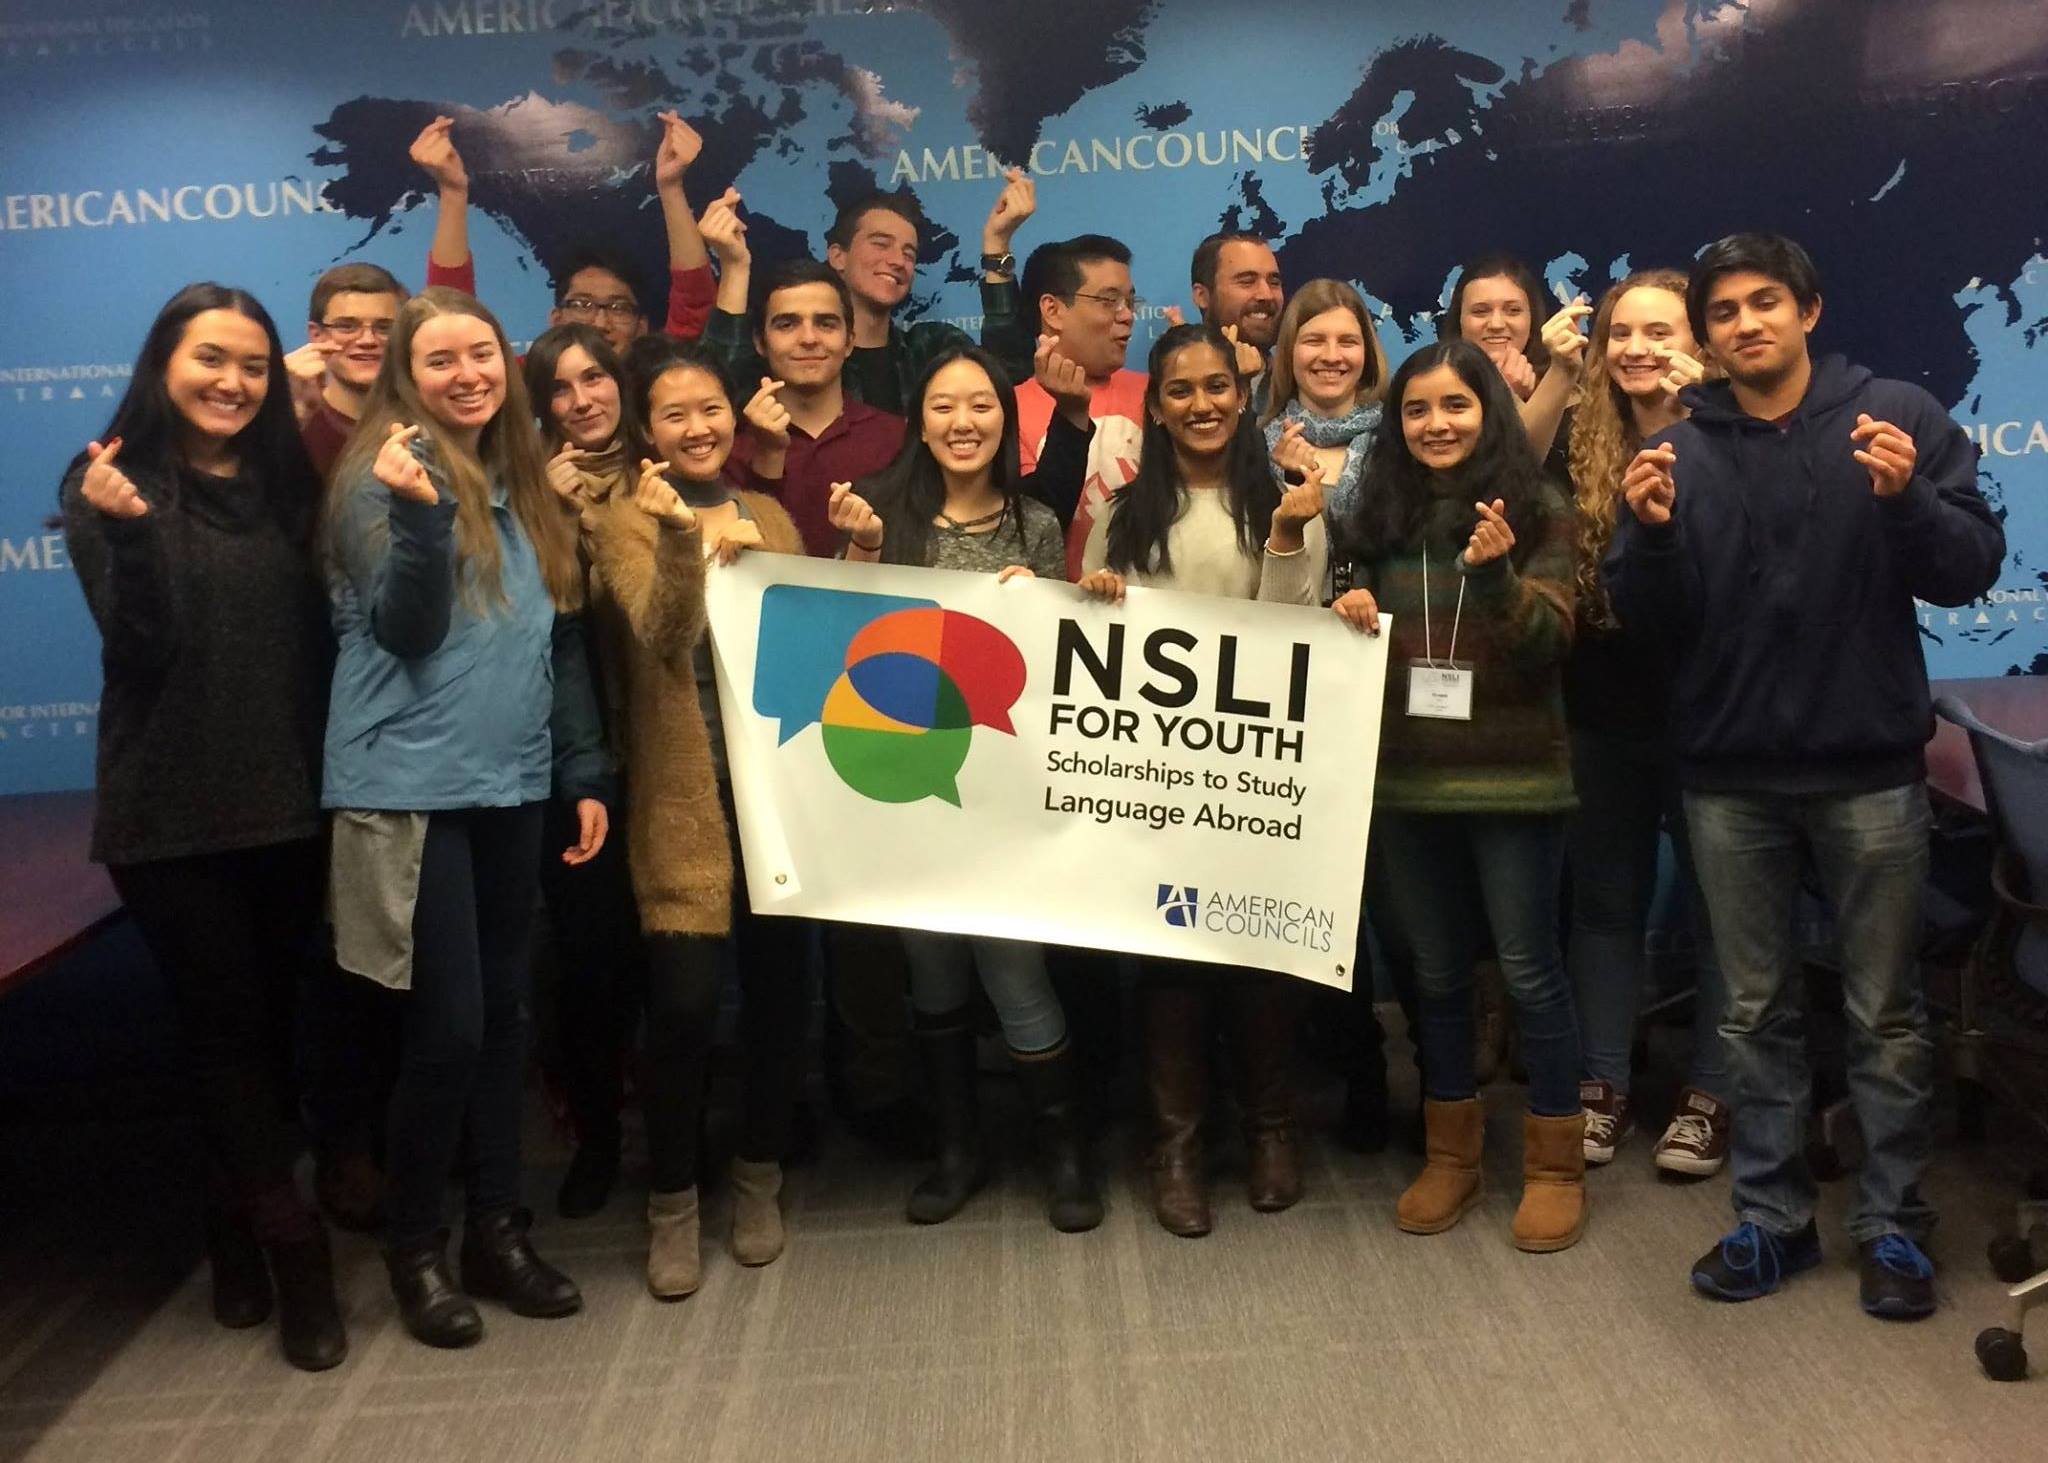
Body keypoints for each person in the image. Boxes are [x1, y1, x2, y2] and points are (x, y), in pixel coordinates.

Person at [1607, 233, 2004, 1318]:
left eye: (1763, 302)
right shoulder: (1677, 452)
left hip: (1868, 773)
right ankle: (1771, 1220)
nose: (1744, 323)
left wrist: (1906, 500)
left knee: (1886, 1013)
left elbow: (1969, 569)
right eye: (1723, 311)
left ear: (1808, 311)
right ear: (1707, 335)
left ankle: (1893, 1224)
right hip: (1727, 778)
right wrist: (1648, 538)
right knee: (1750, 1013)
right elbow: (1646, 624)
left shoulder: (1893, 415)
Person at [60, 283, 345, 1371]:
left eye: (253, 365)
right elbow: (139, 649)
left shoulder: (286, 484)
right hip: (171, 813)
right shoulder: (108, 479)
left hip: (288, 805)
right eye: (210, 359)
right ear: (164, 365)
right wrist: (131, 536)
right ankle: (297, 1250)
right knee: (226, 1035)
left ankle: (232, 1226)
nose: (232, 381)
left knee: (267, 1034)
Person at [322, 286, 613, 1349]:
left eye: (481, 355)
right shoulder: (383, 471)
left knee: (503, 1019)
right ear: (405, 376)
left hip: (510, 782)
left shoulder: (520, 478)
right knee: (445, 1028)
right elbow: (405, 629)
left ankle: (498, 1229)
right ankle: (415, 1248)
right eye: (439, 360)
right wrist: (416, 515)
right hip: (407, 788)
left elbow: (551, 642)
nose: (466, 375)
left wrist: (580, 770)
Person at [1279, 338, 1588, 1253]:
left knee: (1529, 972)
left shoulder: (1540, 508)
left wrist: (1493, 577)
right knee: (1436, 974)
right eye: (1416, 409)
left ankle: (1555, 1164)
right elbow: (1347, 614)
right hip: (1407, 779)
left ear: (1489, 412)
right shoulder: (1381, 508)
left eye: (1456, 405)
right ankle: (1452, 1153)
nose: (1435, 424)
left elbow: (1550, 643)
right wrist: (1348, 611)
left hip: (1515, 780)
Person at [542, 337, 812, 1297]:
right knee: (686, 1009)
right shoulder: (619, 519)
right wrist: (678, 542)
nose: (698, 428)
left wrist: (859, 554)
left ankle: (759, 1177)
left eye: (711, 410)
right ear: (647, 430)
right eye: (675, 414)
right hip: (680, 799)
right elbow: (662, 633)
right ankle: (672, 1201)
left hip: (779, 800)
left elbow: (816, 641)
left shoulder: (769, 514)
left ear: (734, 418)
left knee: (780, 999)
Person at [825, 343, 1100, 1232]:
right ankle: (957, 1148)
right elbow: (841, 638)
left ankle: (1064, 1152)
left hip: (1008, 793)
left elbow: (1061, 668)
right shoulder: (882, 514)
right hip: (909, 783)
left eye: (981, 404)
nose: (963, 421)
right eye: (943, 405)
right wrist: (862, 548)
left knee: (1016, 969)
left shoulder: (1036, 521)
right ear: (920, 421)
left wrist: (1041, 604)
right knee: (932, 966)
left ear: (1005, 419)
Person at [1076, 322, 1328, 1236]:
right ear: (1155, 407)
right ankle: (1176, 1146)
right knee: (1170, 958)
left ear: (1241, 394)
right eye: (1180, 390)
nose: (1202, 404)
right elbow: (1091, 645)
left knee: (1258, 952)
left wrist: (1289, 539)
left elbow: (1295, 638)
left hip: (1258, 778)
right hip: (1158, 781)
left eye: (1217, 386)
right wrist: (1099, 599)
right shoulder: (1124, 513)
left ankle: (1269, 1129)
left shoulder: (1291, 502)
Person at [1562, 269, 1731, 1174]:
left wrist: (1710, 413)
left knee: (1720, 911)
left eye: (1659, 332)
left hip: (1715, 715)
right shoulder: (1582, 442)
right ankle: (1603, 1084)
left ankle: (1712, 1094)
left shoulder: (1736, 438)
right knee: (1605, 905)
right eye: (1620, 332)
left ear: (1698, 346)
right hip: (1603, 712)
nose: (1635, 348)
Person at [513, 324, 657, 1219]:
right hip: (573, 766)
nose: (582, 400)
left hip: (670, 750)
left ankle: (680, 1138)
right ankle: (598, 1138)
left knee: (673, 965)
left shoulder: (662, 471)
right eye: (560, 389)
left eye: (594, 378)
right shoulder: (519, 495)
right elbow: (524, 625)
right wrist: (553, 522)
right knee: (589, 966)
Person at [700, 175, 1038, 413]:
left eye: (908, 253)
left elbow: (1011, 378)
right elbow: (715, 393)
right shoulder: (797, 354)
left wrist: (997, 245)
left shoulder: (930, 349)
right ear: (838, 256)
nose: (897, 260)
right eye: (880, 244)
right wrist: (734, 267)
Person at [408, 112, 716, 352]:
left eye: (619, 308)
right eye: (582, 304)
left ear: (642, 327)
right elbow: (453, 321)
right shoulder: (526, 384)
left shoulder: (657, 384)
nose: (600, 323)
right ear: (556, 320)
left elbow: (694, 309)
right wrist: (452, 192)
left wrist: (671, 186)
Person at [720, 258, 906, 556]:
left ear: (849, 342)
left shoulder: (896, 438)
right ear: (760, 342)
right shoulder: (729, 446)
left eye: (825, 323)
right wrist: (768, 457)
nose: (808, 339)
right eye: (787, 324)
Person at [1015, 234, 1151, 576]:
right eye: (1109, 301)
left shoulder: (1158, 394)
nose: (1127, 315)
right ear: (1053, 310)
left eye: (1130, 302)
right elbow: (1027, 526)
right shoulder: (1006, 410)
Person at [1258, 277, 1390, 522]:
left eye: (1347, 342)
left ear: (1367, 352)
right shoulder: (1255, 446)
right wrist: (1286, 482)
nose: (1331, 356)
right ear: (1289, 351)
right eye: (1314, 341)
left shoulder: (1397, 443)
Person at [1441, 253, 1590, 467]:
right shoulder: (1432, 387)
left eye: (1513, 311)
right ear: (1459, 321)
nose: (1496, 324)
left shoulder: (1569, 391)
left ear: (1532, 318)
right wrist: (1502, 394)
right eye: (1480, 311)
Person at [287, 263, 408, 479]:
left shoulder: (427, 422)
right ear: (317, 335)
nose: (367, 340)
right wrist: (285, 418)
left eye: (384, 327)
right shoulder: (296, 425)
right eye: (347, 326)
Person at [1189, 230, 1284, 409]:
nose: (1266, 294)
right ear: (1202, 296)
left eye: (1274, 283)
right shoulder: (1176, 389)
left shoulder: (1301, 383)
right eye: (1247, 281)